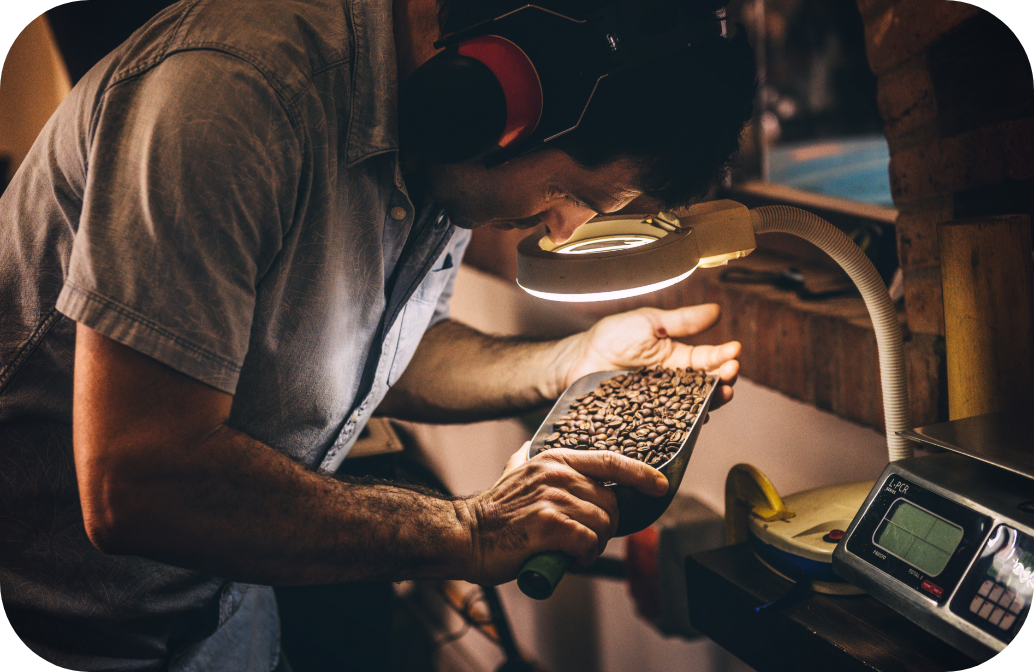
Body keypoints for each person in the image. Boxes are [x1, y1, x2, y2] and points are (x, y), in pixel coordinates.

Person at [0, 0, 757, 670]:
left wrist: (573, 361)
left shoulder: (442, 149)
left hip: (221, 617)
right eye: (569, 193)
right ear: (502, 91)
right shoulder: (228, 93)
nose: (563, 226)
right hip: (57, 627)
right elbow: (138, 481)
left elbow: (384, 355)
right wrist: (469, 530)